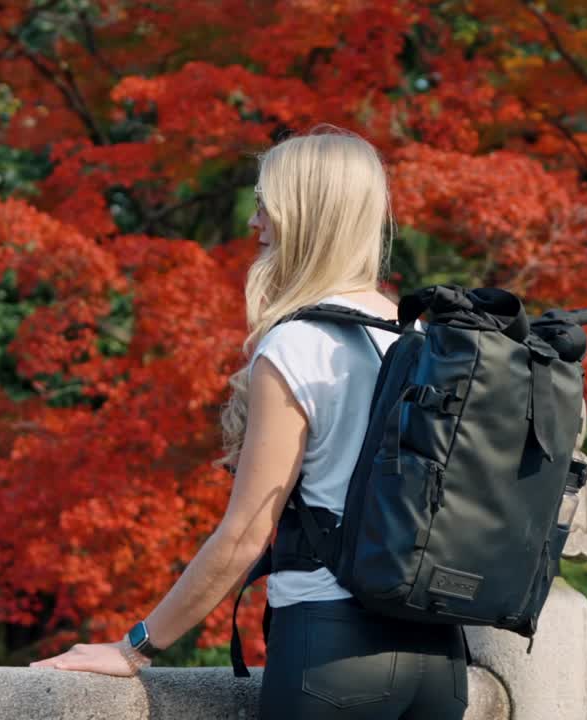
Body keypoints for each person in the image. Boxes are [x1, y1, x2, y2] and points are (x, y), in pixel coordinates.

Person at [31, 128, 470, 720]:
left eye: (266, 204)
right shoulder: (420, 337)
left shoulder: (299, 344)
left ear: (303, 217)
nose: (254, 222)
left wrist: (134, 647)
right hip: (439, 660)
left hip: (332, 653)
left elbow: (244, 533)